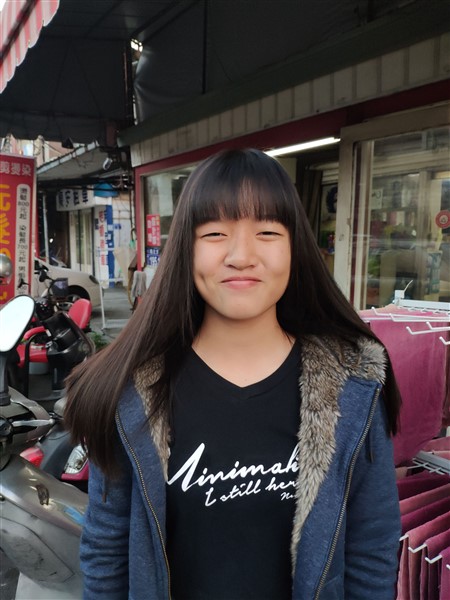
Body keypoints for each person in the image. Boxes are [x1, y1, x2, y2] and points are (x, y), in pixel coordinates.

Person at [65, 148, 402, 600]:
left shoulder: (353, 388)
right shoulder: (129, 394)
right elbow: (106, 554)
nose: (241, 256)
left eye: (267, 232)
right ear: (186, 248)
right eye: (215, 233)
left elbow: (372, 550)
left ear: (295, 248)